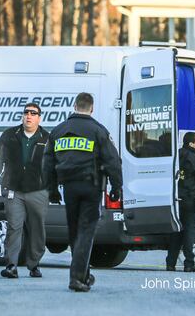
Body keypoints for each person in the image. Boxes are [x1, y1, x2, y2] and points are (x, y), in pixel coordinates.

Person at [43, 92, 122, 292]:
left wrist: (52, 189)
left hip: (69, 188)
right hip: (91, 186)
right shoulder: (98, 130)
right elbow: (113, 161)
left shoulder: (58, 131)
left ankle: (83, 274)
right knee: (86, 231)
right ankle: (77, 278)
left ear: (74, 105)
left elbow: (47, 163)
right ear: (92, 108)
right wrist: (117, 187)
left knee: (75, 232)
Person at [0, 103, 50, 279]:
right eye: (26, 113)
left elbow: (53, 164)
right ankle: (11, 266)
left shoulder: (46, 138)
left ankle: (34, 264)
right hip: (13, 190)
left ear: (39, 117)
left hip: (38, 191)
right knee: (14, 227)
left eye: (33, 113)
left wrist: (52, 187)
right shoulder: (9, 135)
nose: (29, 116)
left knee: (37, 228)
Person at [166, 132, 195, 272]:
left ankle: (170, 263)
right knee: (189, 233)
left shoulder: (177, 155)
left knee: (177, 233)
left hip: (177, 200)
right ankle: (189, 263)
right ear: (191, 144)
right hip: (192, 199)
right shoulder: (194, 158)